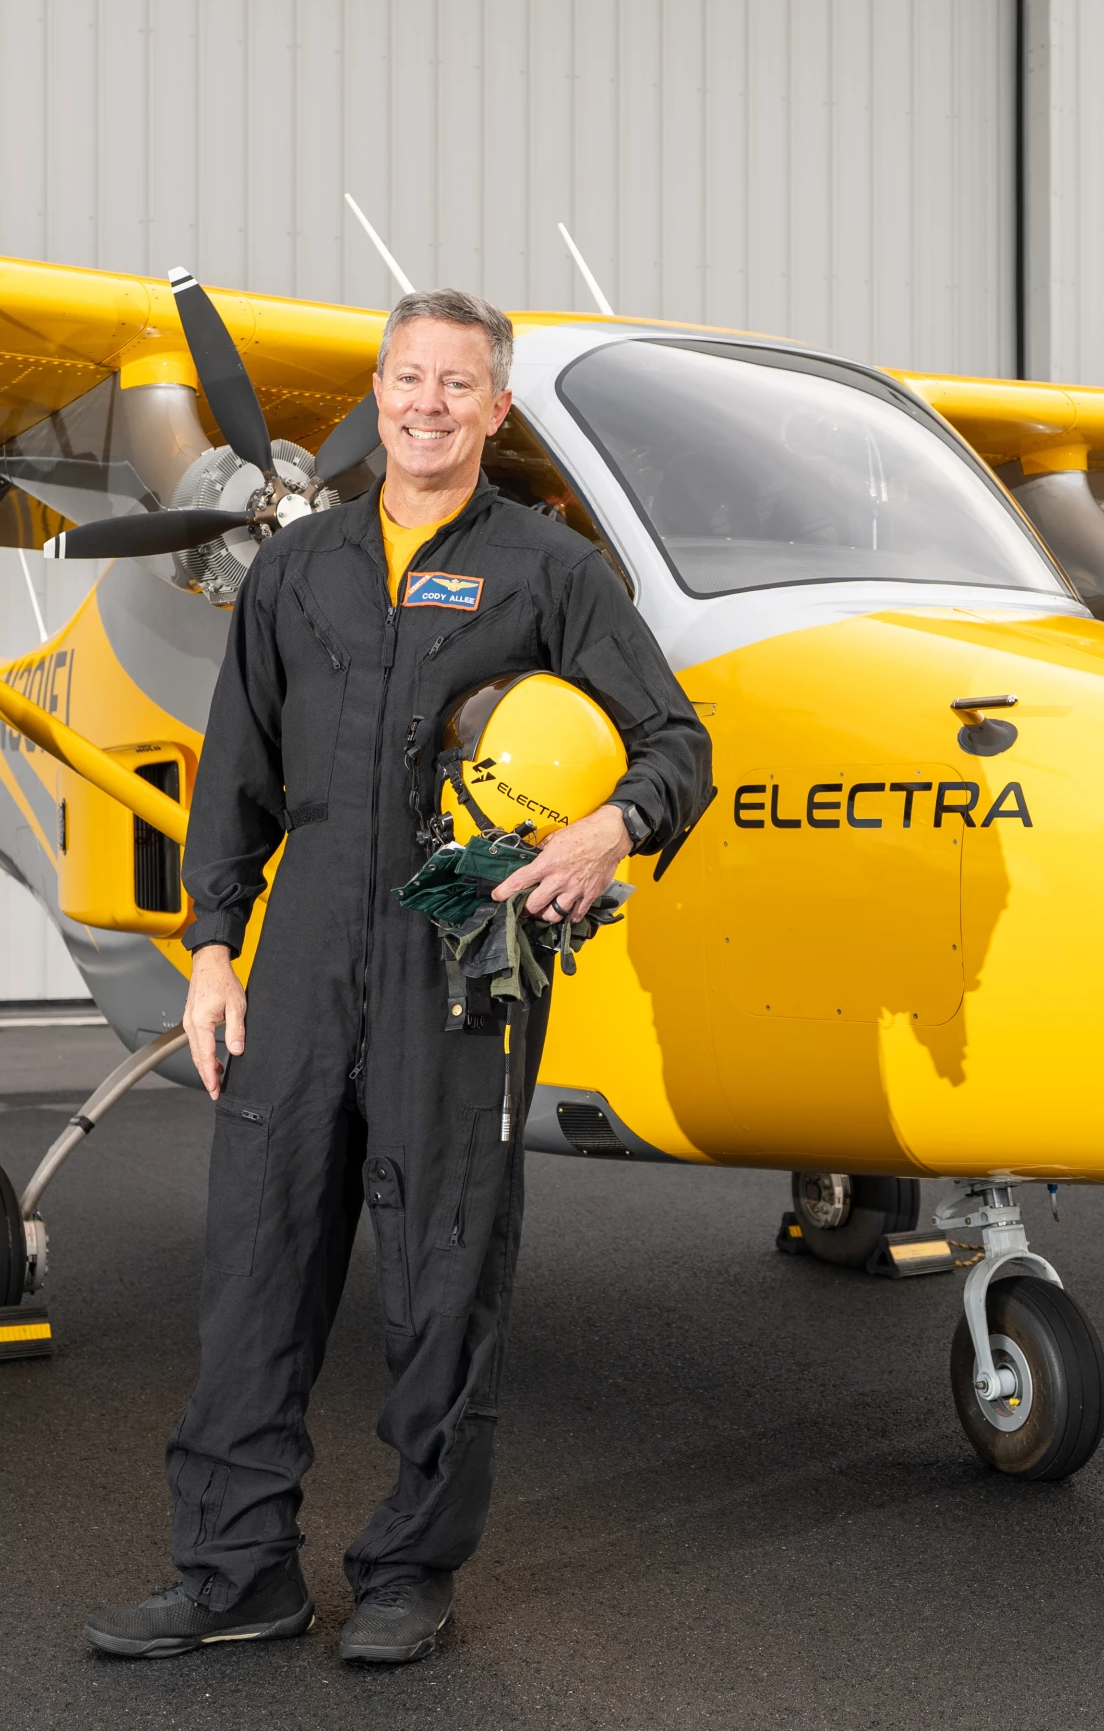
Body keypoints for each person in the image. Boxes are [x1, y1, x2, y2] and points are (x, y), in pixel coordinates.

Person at [85, 288, 712, 1665]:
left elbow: (678, 743)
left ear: (497, 411)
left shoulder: (548, 572)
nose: (427, 404)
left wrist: (613, 826)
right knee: (258, 1262)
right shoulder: (297, 568)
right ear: (378, 396)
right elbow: (237, 772)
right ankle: (237, 1571)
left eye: (457, 385)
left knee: (445, 1269)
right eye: (407, 378)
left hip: (462, 942)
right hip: (303, 943)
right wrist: (207, 951)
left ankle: (410, 1573)